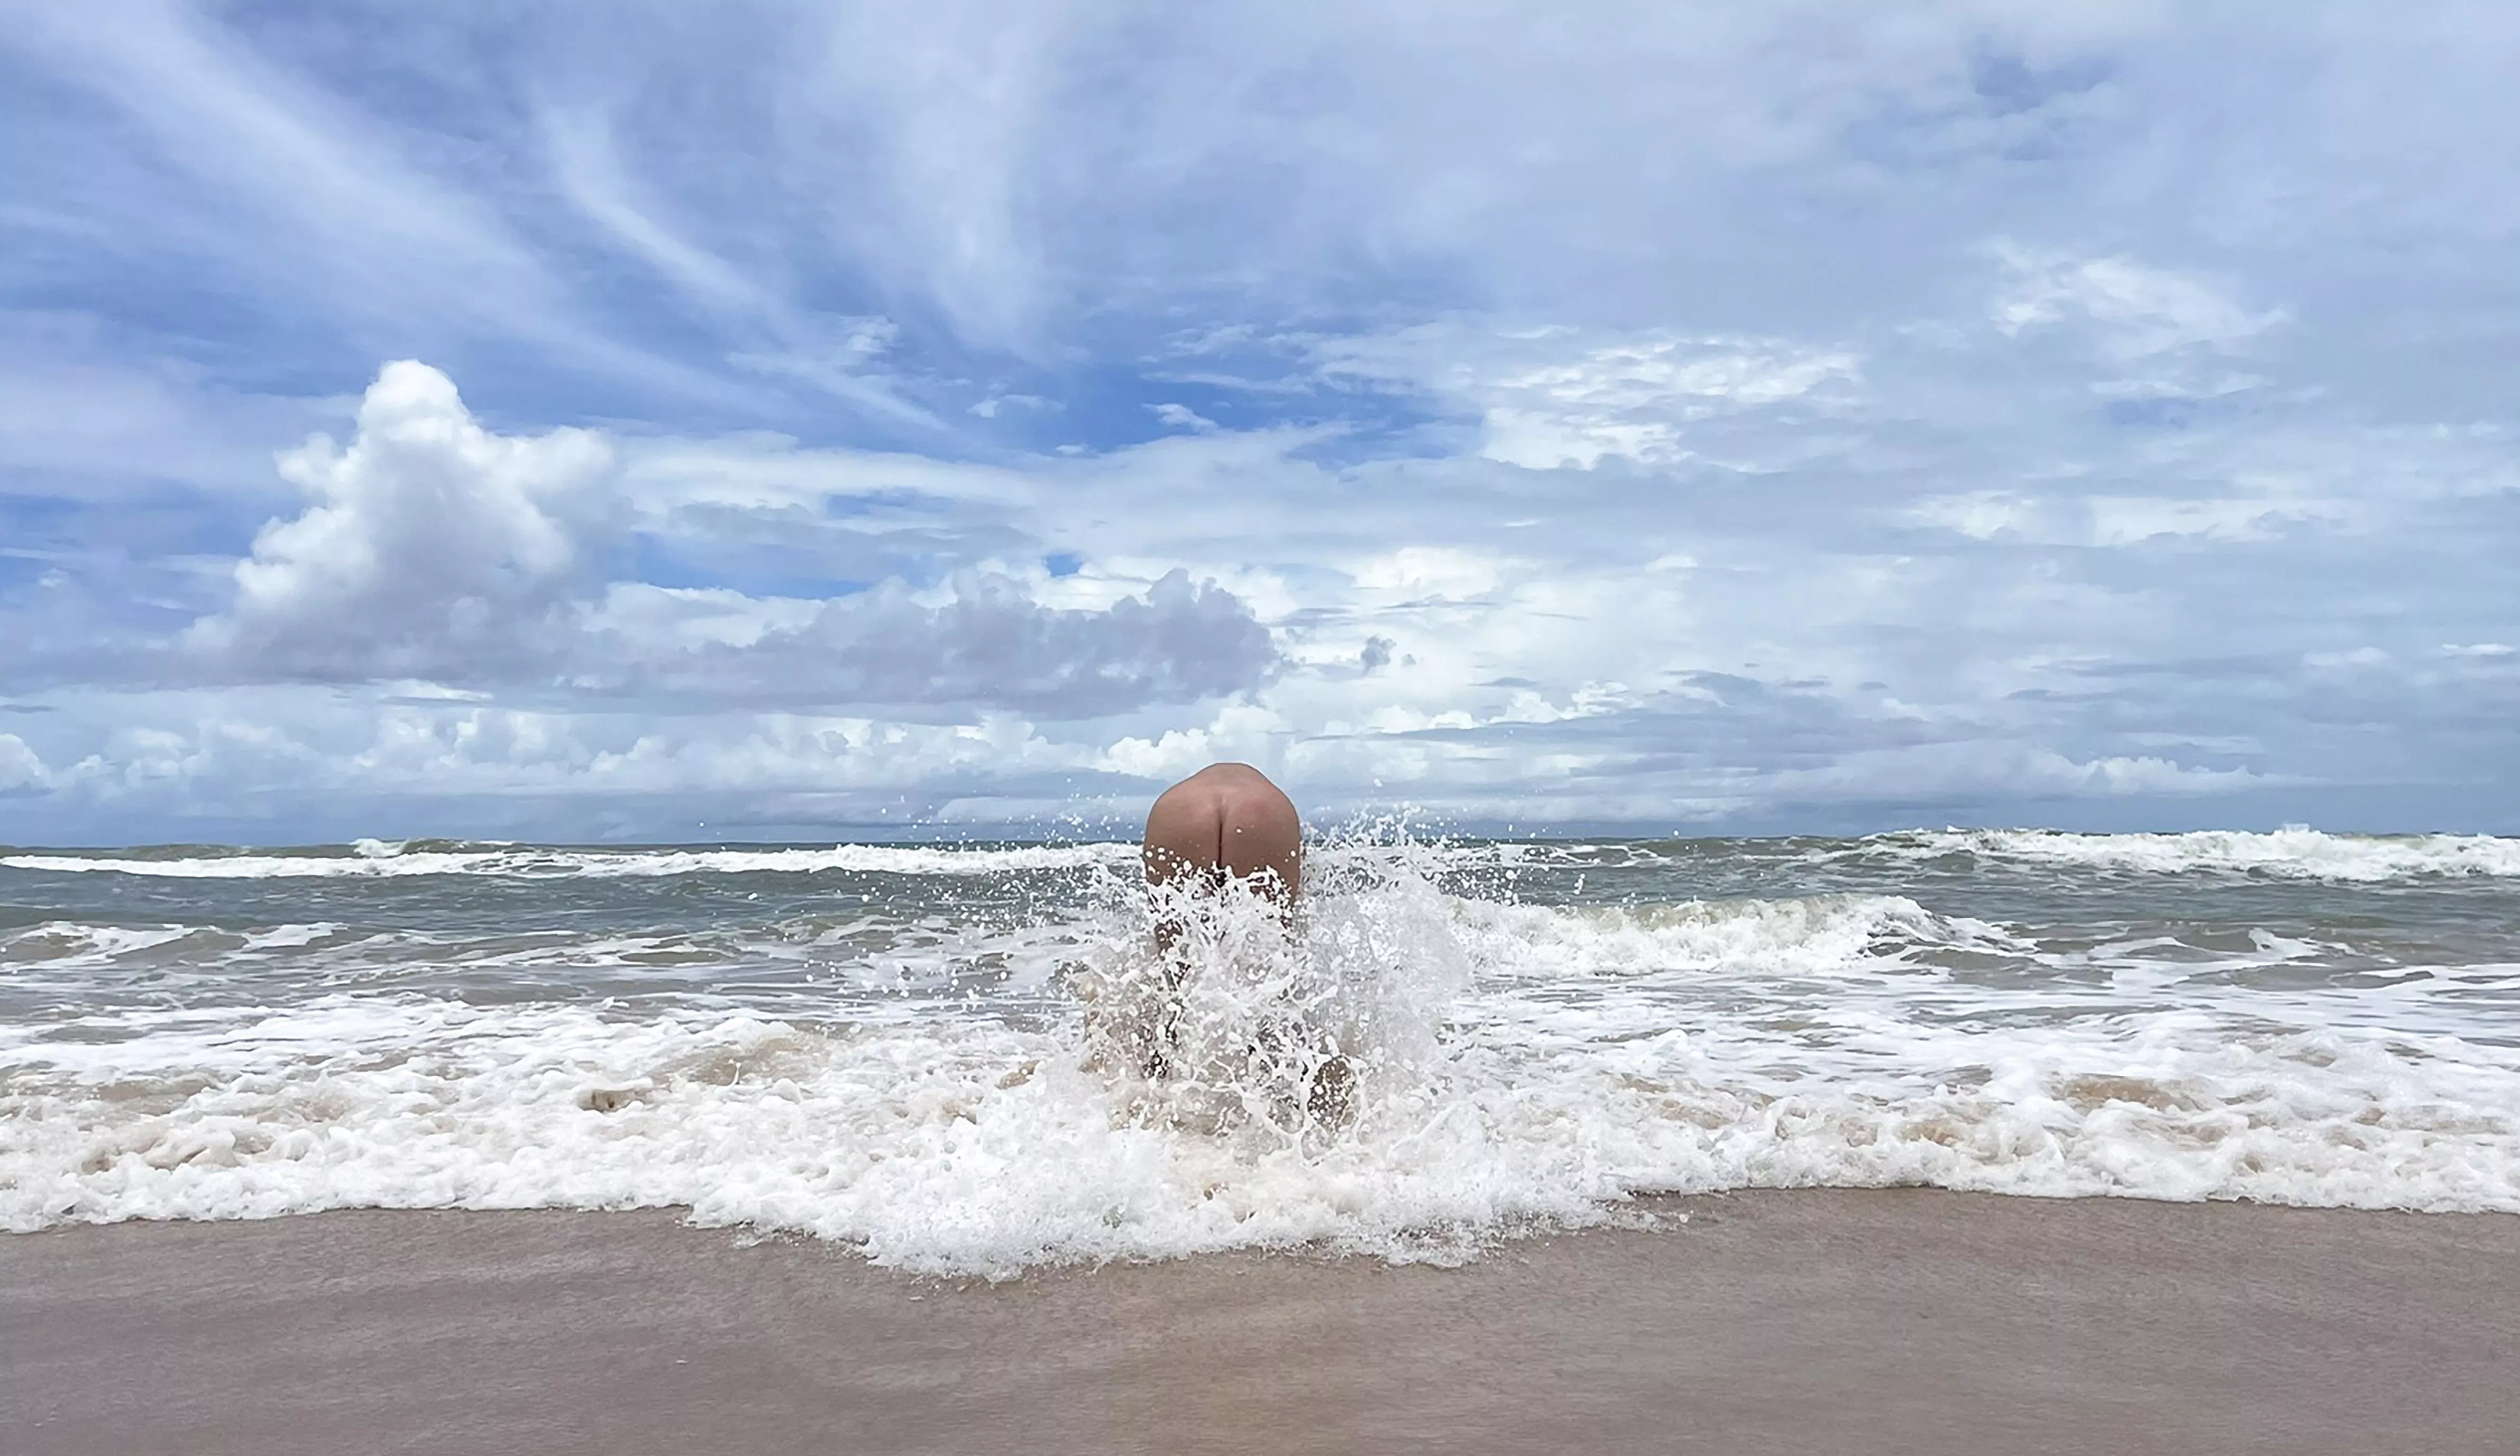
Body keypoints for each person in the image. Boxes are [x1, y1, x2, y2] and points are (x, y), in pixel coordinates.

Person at [1140, 762, 1302, 914]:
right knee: (1268, 936)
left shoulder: (1185, 791)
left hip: (1180, 805)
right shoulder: (1264, 791)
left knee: (1176, 936)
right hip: (1265, 807)